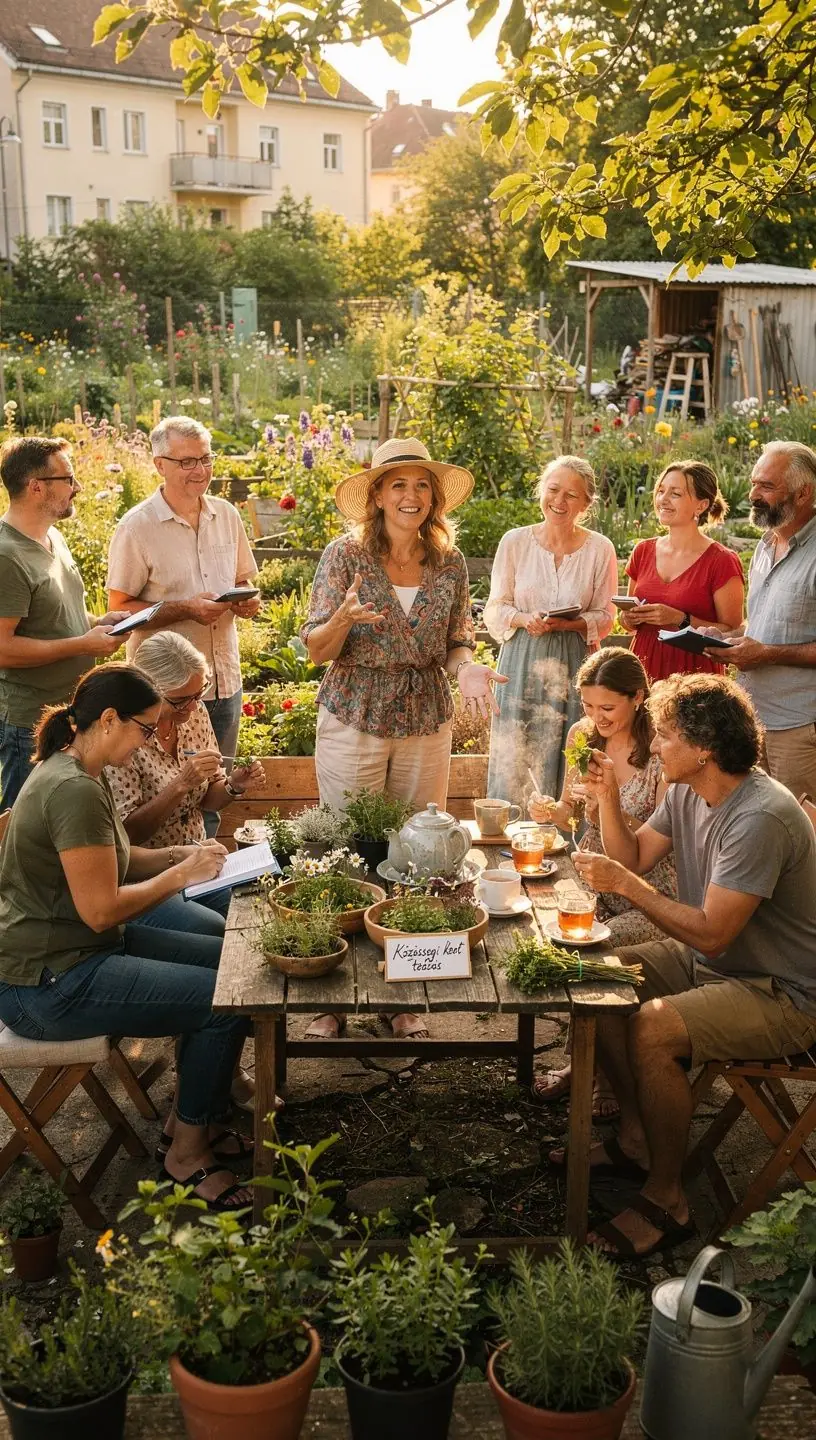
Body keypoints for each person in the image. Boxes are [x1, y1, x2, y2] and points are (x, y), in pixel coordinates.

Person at [569, 672, 816, 1258]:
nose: (654, 745)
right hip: (722, 966)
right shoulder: (687, 789)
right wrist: (606, 798)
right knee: (595, 974)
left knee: (651, 1026)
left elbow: (711, 933)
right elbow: (630, 853)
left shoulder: (759, 816)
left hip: (782, 992)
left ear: (704, 748)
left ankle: (667, 1199)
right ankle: (636, 1137)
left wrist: (628, 887)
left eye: (667, 736)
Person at [0, 663, 255, 1211]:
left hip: (81, 953)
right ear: (109, 718)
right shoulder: (73, 789)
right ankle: (185, 1152)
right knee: (229, 1001)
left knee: (234, 966)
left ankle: (190, 1118)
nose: (146, 742)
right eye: (144, 728)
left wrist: (177, 855)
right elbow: (100, 910)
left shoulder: (78, 770)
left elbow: (112, 858)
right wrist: (178, 877)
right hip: (47, 985)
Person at [302, 435, 504, 1042]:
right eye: (399, 485)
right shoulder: (344, 557)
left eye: (421, 486)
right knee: (345, 848)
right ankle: (332, 997)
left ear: (434, 497)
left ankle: (403, 993)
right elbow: (315, 648)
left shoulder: (448, 562)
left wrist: (465, 662)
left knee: (421, 854)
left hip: (424, 718)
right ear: (377, 496)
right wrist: (339, 622)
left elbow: (457, 635)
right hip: (355, 712)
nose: (411, 496)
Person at [104, 631, 267, 1114]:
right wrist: (178, 785)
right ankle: (211, 1078)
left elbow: (210, 799)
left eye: (200, 693)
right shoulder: (123, 738)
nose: (195, 706)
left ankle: (217, 1068)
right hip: (146, 878)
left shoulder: (193, 714)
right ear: (147, 692)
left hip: (198, 860)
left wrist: (232, 787)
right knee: (222, 939)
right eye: (182, 699)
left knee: (260, 916)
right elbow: (126, 837)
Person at [528, 647, 676, 1117]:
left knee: (593, 953)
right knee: (551, 931)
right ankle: (585, 1064)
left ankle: (609, 1081)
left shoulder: (659, 754)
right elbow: (569, 814)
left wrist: (608, 805)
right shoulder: (582, 735)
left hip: (648, 889)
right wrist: (551, 811)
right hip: (595, 876)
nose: (595, 717)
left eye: (607, 708)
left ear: (637, 697)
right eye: (588, 706)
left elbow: (657, 841)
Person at [106, 416, 260, 832]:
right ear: (160, 464)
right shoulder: (137, 526)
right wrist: (184, 608)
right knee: (159, 797)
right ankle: (158, 888)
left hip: (223, 678)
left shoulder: (226, 514)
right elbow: (119, 608)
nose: (200, 471)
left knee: (212, 792)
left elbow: (244, 579)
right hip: (162, 688)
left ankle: (202, 875)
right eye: (187, 462)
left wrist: (246, 600)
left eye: (206, 459)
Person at [0, 436, 127, 809]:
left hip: (70, 710)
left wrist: (100, 622)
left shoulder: (53, 537)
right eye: (68, 479)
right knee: (28, 833)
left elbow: (57, 617)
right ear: (36, 486)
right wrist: (83, 645)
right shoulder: (7, 556)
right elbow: (3, 648)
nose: (78, 488)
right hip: (32, 724)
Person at [484, 455, 617, 807]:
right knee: (518, 746)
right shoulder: (514, 542)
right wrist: (525, 619)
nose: (559, 502)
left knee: (572, 746)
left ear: (587, 503)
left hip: (575, 662)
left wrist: (571, 623)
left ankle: (568, 836)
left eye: (571, 495)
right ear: (541, 490)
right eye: (553, 490)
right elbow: (495, 607)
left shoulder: (601, 549)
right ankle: (510, 837)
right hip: (521, 658)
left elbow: (606, 616)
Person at [702, 441, 816, 797]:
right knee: (765, 834)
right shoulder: (766, 546)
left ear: (803, 493)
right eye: (754, 483)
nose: (753, 494)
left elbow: (769, 644)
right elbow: (765, 625)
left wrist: (766, 653)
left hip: (799, 726)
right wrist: (726, 637)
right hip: (752, 720)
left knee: (804, 839)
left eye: (767, 486)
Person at [621, 459, 744, 681]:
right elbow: (627, 623)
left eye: (675, 494)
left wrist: (681, 619)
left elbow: (732, 631)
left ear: (701, 505)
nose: (663, 500)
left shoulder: (722, 561)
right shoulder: (642, 551)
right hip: (642, 671)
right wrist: (629, 619)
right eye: (661, 491)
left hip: (695, 675)